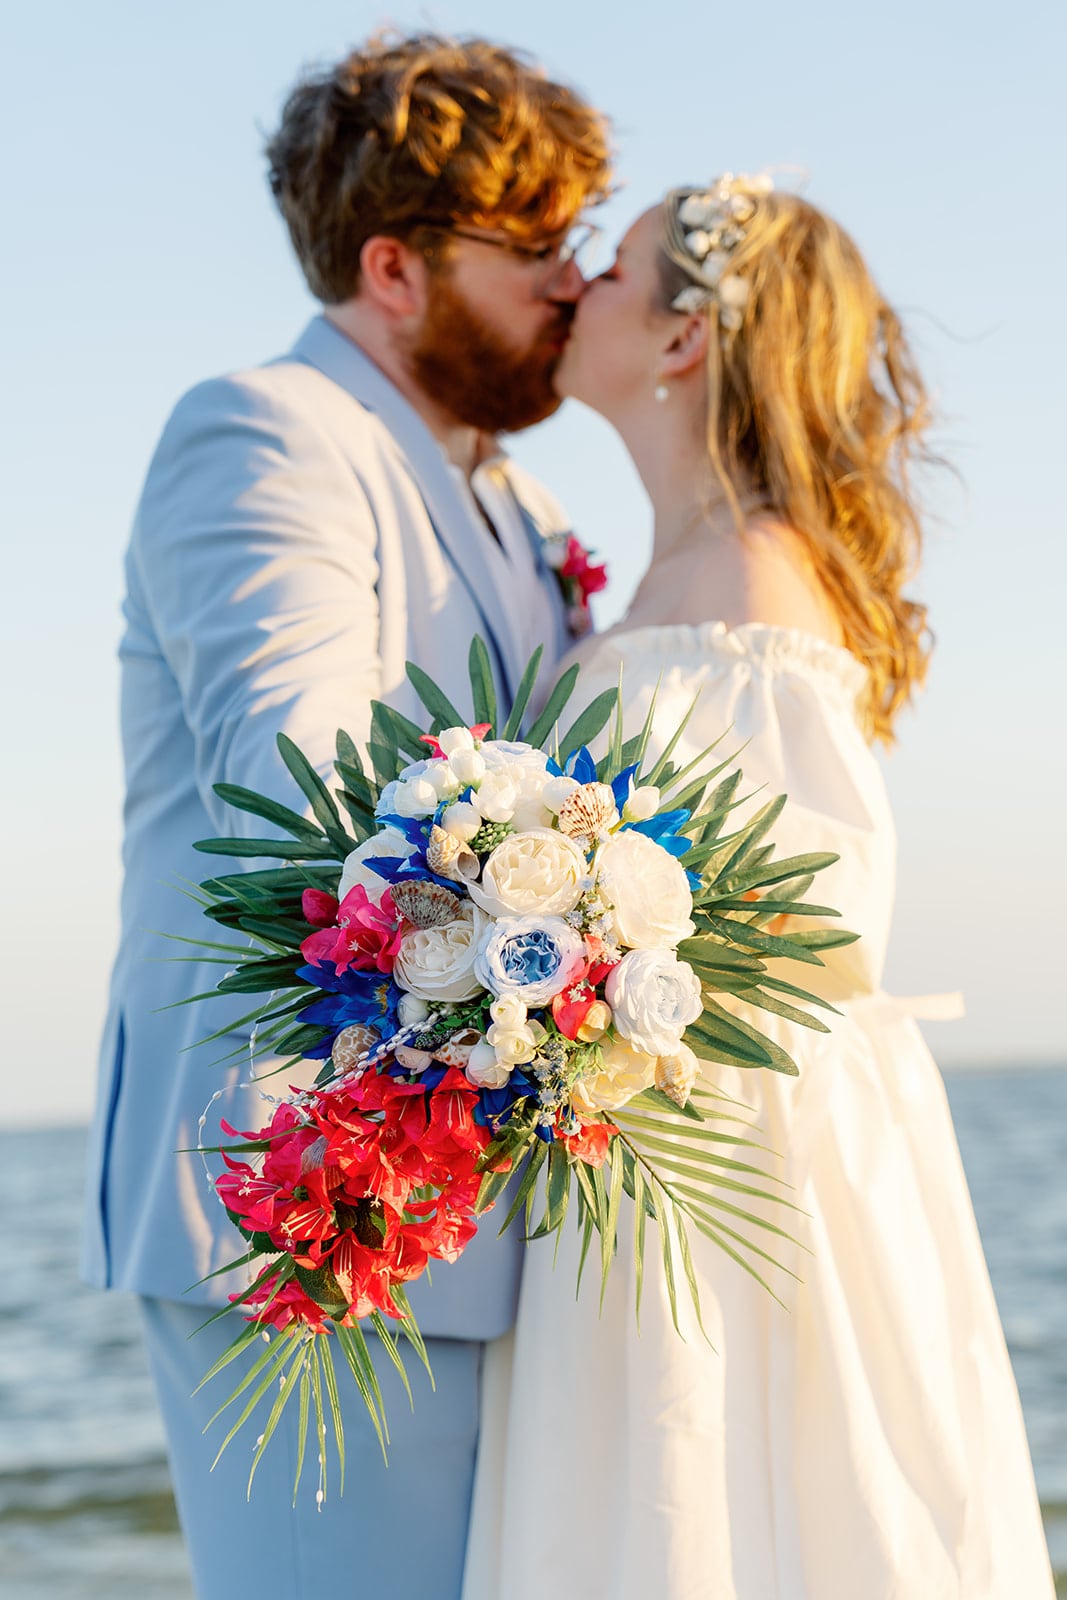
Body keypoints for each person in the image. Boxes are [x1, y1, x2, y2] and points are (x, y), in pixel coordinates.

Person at [461, 177, 1056, 1598]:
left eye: (611, 268)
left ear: (679, 340)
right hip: (655, 1139)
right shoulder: (688, 577)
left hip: (734, 1154)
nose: (576, 286)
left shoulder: (744, 587)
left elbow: (804, 923)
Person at [80, 32, 611, 1600]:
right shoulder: (264, 436)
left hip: (497, 1207)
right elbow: (300, 792)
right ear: (396, 265)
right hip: (308, 1204)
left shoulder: (529, 505)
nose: (574, 284)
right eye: (538, 251)